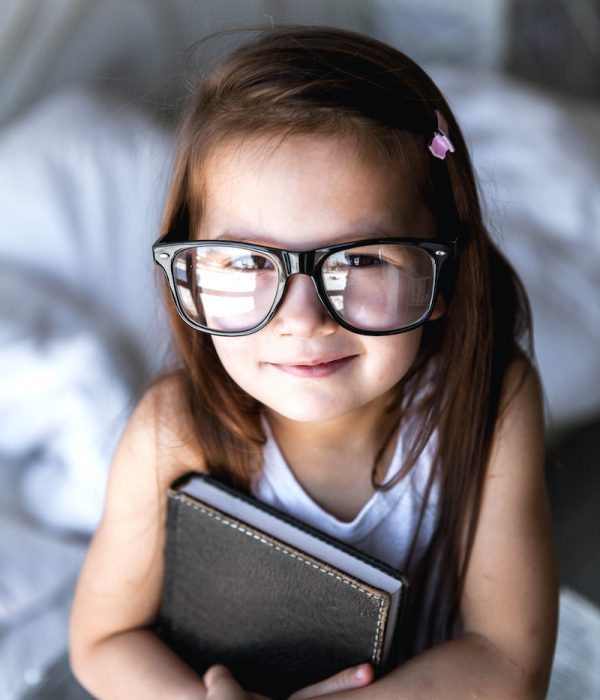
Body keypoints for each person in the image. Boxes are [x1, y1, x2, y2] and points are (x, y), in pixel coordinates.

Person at [69, 25, 558, 699]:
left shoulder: (489, 405)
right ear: (190, 271)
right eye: (246, 261)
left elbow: (508, 659)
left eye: (359, 259)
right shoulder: (172, 431)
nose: (302, 319)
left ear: (440, 275)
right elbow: (102, 640)